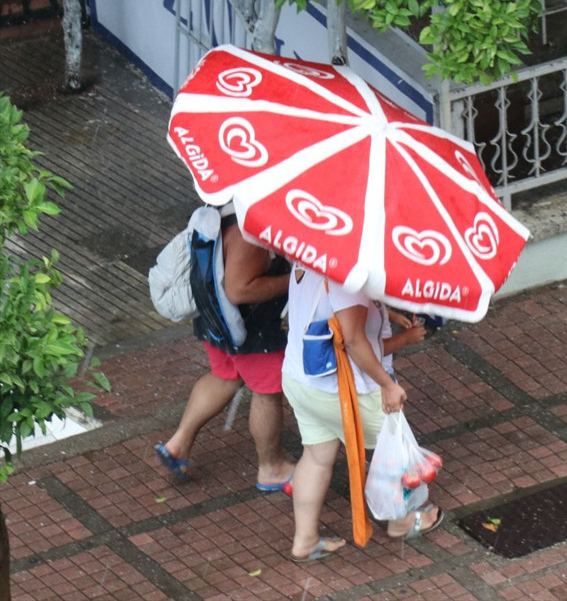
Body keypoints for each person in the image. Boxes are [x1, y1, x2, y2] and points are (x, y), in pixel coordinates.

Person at [280, 263, 442, 562]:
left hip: (302, 381)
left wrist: (384, 311)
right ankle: (402, 522)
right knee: (394, 452)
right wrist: (387, 385)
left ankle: (305, 540)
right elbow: (353, 341)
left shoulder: (308, 258)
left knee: (315, 458)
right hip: (344, 391)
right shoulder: (347, 275)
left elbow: (333, 310)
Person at [155, 203, 295, 492]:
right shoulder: (249, 231)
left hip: (215, 318)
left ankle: (178, 444)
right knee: (266, 391)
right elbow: (239, 289)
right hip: (250, 328)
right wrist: (295, 281)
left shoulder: (221, 205)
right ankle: (272, 468)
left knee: (225, 376)